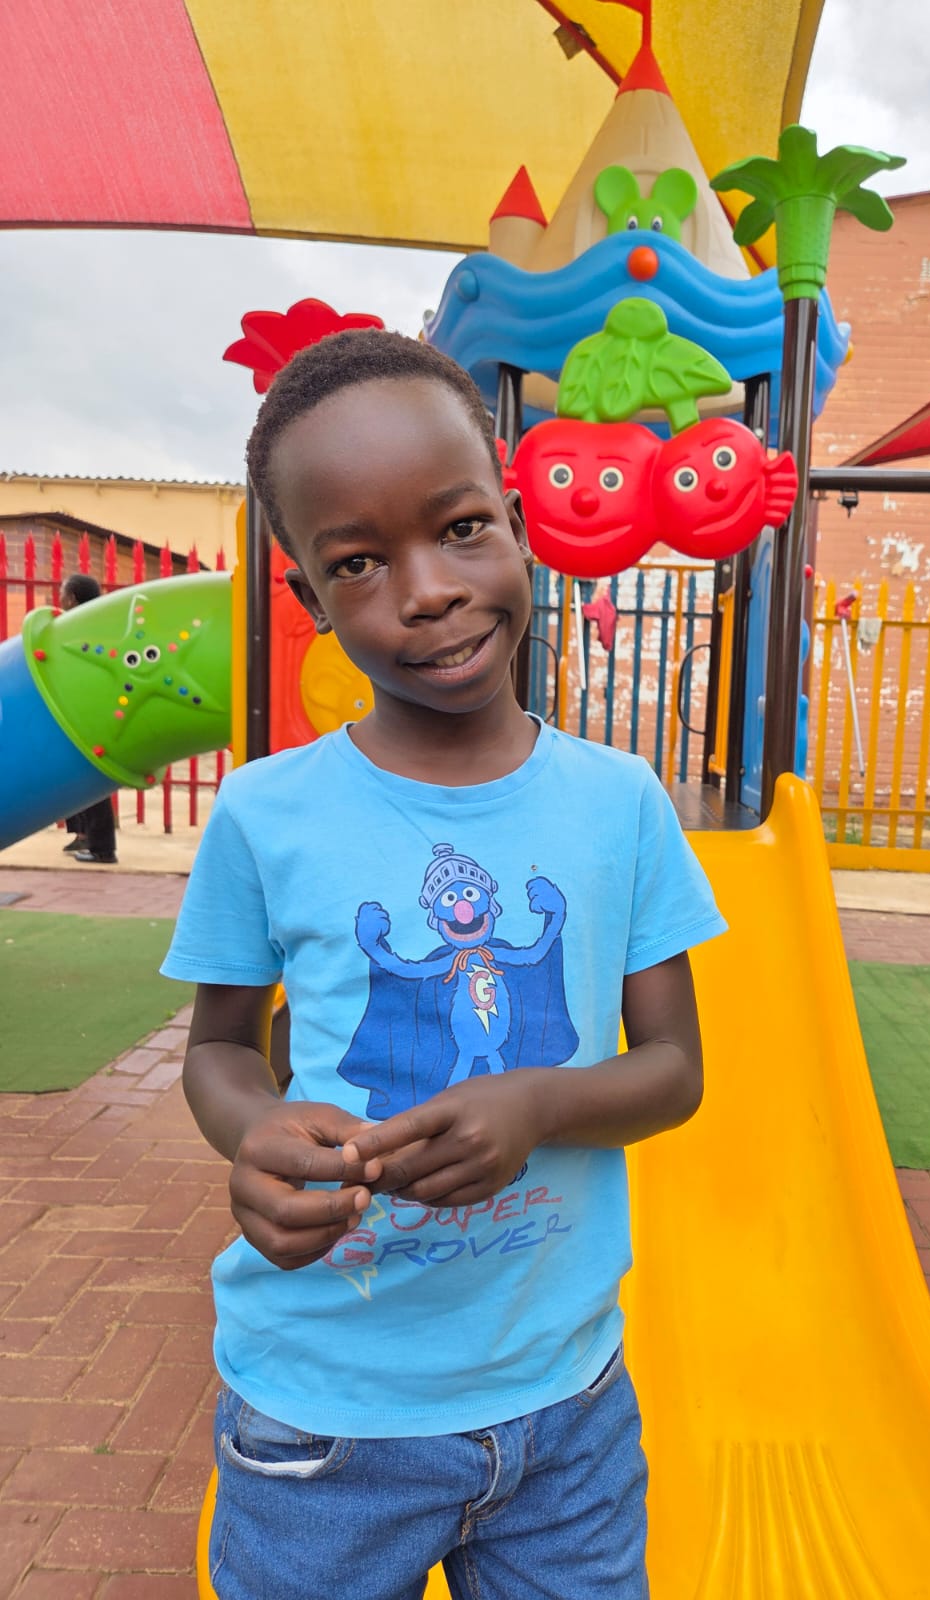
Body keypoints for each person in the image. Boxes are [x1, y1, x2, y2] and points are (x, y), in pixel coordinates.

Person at [161, 328, 726, 1600]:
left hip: (566, 1409)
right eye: (359, 562)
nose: (425, 590)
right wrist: (255, 1132)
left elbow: (676, 1068)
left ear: (516, 523)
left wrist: (541, 1103)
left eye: (461, 528)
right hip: (324, 1416)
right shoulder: (265, 815)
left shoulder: (620, 803)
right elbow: (220, 1049)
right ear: (311, 597)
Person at [59, 573, 118, 864]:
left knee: (90, 778)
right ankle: (84, 835)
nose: (60, 597)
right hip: (79, 706)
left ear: (72, 598)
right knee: (73, 773)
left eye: (63, 592)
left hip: (90, 709)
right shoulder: (90, 623)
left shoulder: (85, 626)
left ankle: (102, 848)